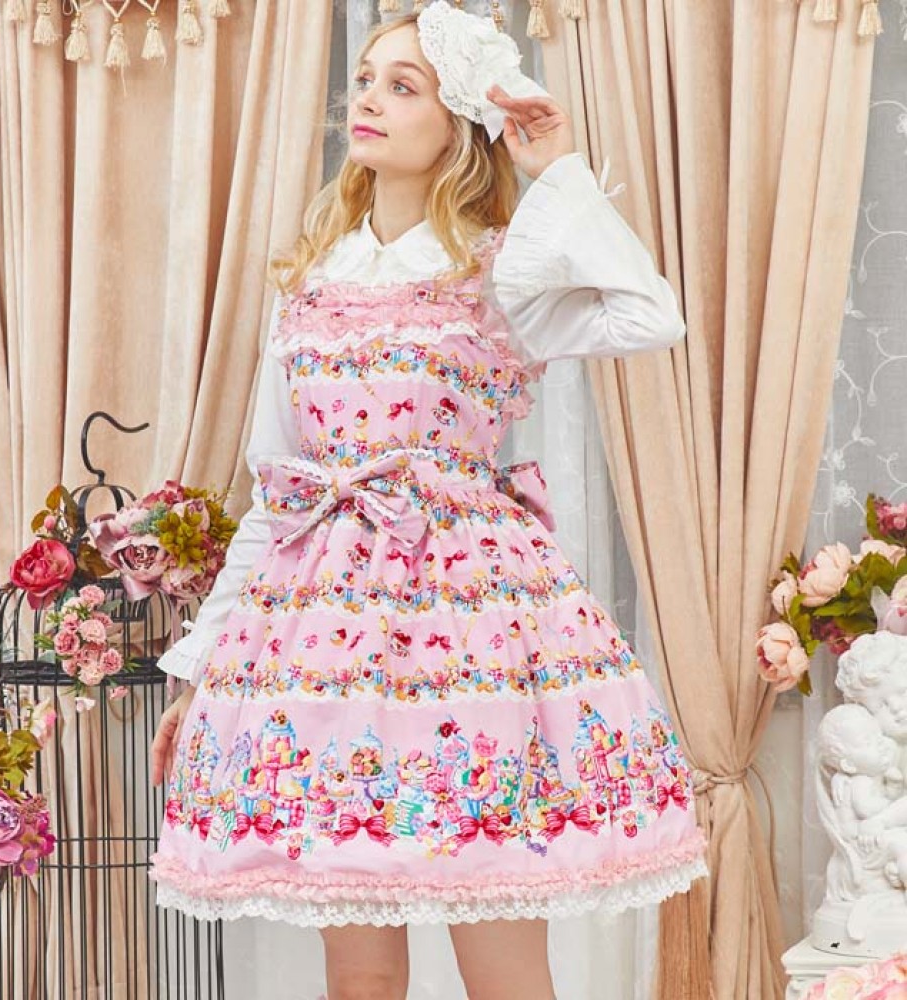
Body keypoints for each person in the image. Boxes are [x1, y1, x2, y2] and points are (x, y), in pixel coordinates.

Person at [149, 4, 708, 998]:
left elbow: (650, 313)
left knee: (503, 968)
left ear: (458, 125)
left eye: (401, 85)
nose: (366, 99)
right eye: (365, 78)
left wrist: (557, 172)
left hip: (472, 642)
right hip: (321, 650)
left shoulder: (503, 270)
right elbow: (277, 493)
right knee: (358, 974)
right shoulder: (310, 280)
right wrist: (200, 665)